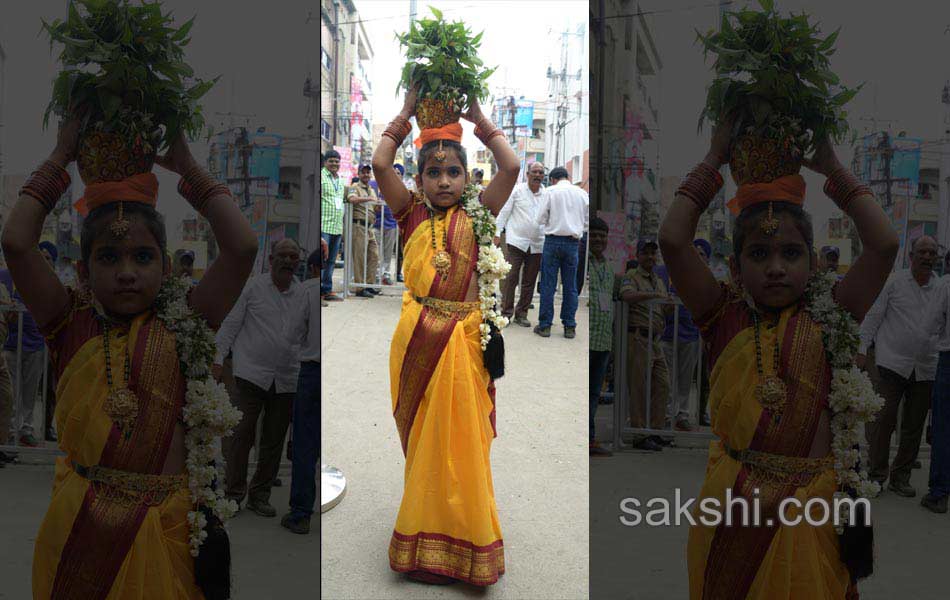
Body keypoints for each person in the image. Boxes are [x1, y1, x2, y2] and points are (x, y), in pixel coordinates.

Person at [8, 113, 257, 598]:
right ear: (82, 272)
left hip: (169, 528)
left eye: (142, 257)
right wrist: (62, 155)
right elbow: (16, 243)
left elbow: (243, 246)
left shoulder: (187, 320)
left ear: (165, 267)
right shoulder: (67, 322)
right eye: (109, 257)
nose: (127, 272)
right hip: (81, 526)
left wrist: (187, 166)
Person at [662, 118, 898, 599]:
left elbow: (885, 244)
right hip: (734, 507)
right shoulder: (720, 313)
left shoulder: (834, 310)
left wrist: (832, 167)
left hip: (816, 509)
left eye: (791, 253)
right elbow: (671, 240)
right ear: (734, 265)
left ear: (813, 262)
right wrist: (714, 160)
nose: (775, 267)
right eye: (759, 253)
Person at [372, 84, 519, 586]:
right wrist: (407, 114)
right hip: (417, 339)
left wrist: (479, 118)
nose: (443, 181)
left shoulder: (480, 214)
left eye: (453, 171)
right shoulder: (409, 211)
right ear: (419, 179)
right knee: (424, 445)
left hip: (466, 340)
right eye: (432, 172)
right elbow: (378, 164)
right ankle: (421, 545)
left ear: (468, 177)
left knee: (465, 448)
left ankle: (468, 543)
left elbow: (514, 168)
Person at [214, 238, 302, 517]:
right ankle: (233, 494)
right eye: (282, 256)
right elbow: (230, 325)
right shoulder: (252, 287)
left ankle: (260, 496)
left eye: (293, 257)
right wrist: (217, 361)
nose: (288, 261)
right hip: (249, 374)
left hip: (287, 379)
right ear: (270, 260)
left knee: (273, 442)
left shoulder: (302, 295)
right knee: (241, 436)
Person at [858, 235, 940, 497]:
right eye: (922, 252)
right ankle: (876, 475)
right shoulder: (893, 283)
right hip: (891, 363)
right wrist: (861, 350)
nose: (927, 257)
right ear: (911, 256)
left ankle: (900, 477)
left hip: (926, 367)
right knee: (882, 421)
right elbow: (873, 317)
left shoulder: (941, 288)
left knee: (913, 427)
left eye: (932, 253)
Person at [280, 248, 323, 533]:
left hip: (311, 370)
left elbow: (290, 335)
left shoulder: (307, 290)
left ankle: (300, 513)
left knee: (305, 443)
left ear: (311, 268)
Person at [620, 239, 672, 451]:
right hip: (638, 338)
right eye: (646, 253)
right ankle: (639, 434)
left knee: (663, 384)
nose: (650, 257)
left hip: (656, 340)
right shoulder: (631, 276)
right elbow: (626, 295)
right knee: (639, 387)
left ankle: (656, 431)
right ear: (638, 255)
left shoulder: (659, 280)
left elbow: (663, 306)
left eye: (653, 253)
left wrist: (669, 305)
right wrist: (653, 296)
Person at [0, 243, 53, 447]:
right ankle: (10, 430)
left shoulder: (41, 278)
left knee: (30, 393)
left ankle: (26, 429)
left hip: (36, 344)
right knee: (10, 392)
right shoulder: (3, 276)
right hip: (11, 344)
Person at [656, 239, 710, 432]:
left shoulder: (702, 276)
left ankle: (683, 414)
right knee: (667, 378)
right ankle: (668, 414)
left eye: (701, 254)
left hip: (691, 335)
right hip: (666, 334)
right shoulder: (662, 272)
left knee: (686, 379)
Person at [534, 167, 588, 339]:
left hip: (552, 241)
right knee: (570, 285)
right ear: (567, 177)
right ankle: (569, 326)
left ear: (553, 179)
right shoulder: (581, 193)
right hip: (573, 243)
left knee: (548, 285)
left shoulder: (550, 191)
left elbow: (540, 218)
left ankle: (545, 326)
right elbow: (586, 222)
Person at [495, 161, 544, 327]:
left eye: (541, 172)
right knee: (510, 278)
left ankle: (521, 314)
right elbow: (504, 212)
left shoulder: (547, 194)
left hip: (537, 245)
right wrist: (496, 233)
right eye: (535, 172)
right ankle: (506, 313)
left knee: (529, 281)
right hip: (516, 242)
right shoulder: (516, 191)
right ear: (527, 174)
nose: (538, 175)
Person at [921, 272, 950, 512]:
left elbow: (930, 325)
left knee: (944, 428)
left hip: (949, 360)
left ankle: (939, 494)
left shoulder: (945, 284)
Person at [588, 217, 614, 457]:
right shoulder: (582, 264)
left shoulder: (609, 267)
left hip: (603, 340)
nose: (598, 240)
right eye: (594, 235)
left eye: (602, 236)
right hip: (587, 340)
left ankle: (591, 440)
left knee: (595, 393)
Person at [347, 164, 381, 298]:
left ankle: (369, 284)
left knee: (374, 256)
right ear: (359, 174)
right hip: (358, 226)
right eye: (364, 172)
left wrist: (377, 206)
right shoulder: (354, 187)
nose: (366, 175)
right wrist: (369, 199)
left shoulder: (373, 189)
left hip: (369, 227)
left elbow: (373, 206)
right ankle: (360, 288)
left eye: (368, 172)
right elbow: (351, 199)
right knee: (359, 258)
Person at [321, 150, 345, 301]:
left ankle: (326, 290)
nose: (334, 164)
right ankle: (318, 292)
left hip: (337, 227)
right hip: (324, 225)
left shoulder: (340, 180)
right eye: (331, 161)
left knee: (331, 261)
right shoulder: (321, 177)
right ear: (325, 162)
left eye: (337, 161)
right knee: (321, 259)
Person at [379, 165, 404, 285]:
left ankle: (386, 274)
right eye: (394, 172)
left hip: (393, 225)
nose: (395, 175)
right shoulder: (381, 186)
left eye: (398, 173)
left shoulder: (403, 190)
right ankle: (376, 275)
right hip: (378, 224)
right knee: (376, 253)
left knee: (389, 253)